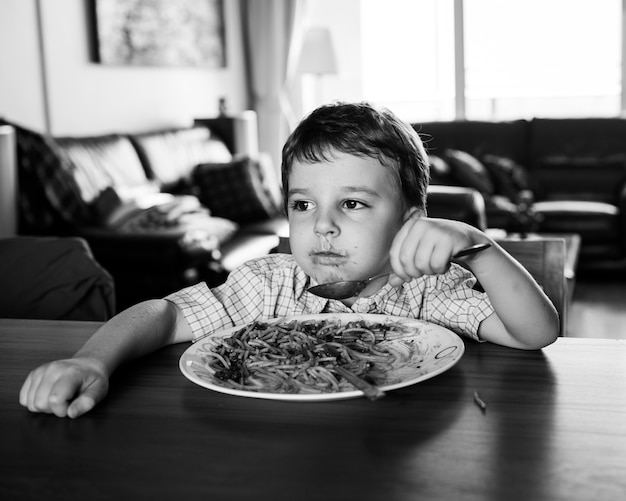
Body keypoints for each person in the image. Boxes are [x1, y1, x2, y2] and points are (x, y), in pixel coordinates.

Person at [19, 102, 559, 418]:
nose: (322, 225)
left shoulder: (428, 290)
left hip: (398, 439)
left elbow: (536, 333)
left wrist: (479, 248)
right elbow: (160, 315)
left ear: (410, 219)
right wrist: (92, 360)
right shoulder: (267, 285)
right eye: (303, 204)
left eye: (352, 203)